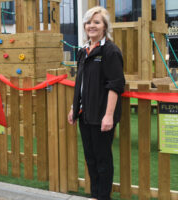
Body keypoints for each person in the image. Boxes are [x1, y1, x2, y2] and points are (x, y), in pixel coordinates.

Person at [67, 6, 125, 200]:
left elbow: (115, 86)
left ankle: (103, 197)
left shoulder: (110, 51)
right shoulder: (83, 51)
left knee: (102, 159)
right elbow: (80, 83)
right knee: (90, 158)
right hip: (85, 114)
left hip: (102, 115)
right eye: (89, 22)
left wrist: (108, 115)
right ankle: (95, 195)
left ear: (104, 26)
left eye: (96, 22)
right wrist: (74, 107)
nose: (92, 26)